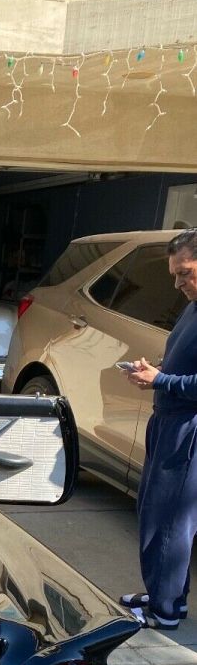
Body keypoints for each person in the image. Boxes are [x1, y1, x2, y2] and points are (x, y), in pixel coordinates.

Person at [121, 228, 197, 630]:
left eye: (185, 272)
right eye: (174, 275)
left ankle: (163, 613)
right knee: (152, 512)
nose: (178, 283)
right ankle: (169, 596)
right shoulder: (192, 308)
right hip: (166, 421)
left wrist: (162, 381)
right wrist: (157, 373)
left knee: (169, 521)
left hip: (188, 430)